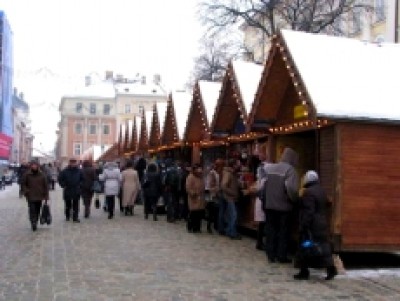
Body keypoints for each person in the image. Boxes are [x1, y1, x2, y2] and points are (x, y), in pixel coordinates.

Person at [294, 171, 337, 281]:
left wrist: (304, 225)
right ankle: (331, 269)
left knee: (305, 246)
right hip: (321, 223)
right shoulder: (321, 190)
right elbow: (326, 204)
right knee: (323, 247)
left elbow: (309, 211)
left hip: (312, 226)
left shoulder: (308, 192)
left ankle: (304, 271)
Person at [263, 147, 300, 263]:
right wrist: (294, 200)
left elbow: (262, 186)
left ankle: (270, 254)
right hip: (283, 207)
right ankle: (281, 255)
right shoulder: (290, 170)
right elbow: (291, 189)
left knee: (271, 230)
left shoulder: (270, 168)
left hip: (269, 206)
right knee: (283, 232)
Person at [21, 160, 49, 231]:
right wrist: (26, 191)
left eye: (35, 165)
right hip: (30, 195)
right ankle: (33, 222)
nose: (34, 166)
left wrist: (46, 196)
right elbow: (23, 184)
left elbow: (46, 186)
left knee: (37, 209)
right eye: (33, 165)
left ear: (38, 166)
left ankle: (35, 220)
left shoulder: (42, 174)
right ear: (31, 166)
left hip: (39, 195)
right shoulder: (27, 174)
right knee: (32, 209)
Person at [58, 158, 84, 222]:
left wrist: (80, 185)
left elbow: (83, 179)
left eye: (74, 162)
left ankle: (75, 217)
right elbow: (60, 179)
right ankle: (67, 216)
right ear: (69, 163)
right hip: (68, 189)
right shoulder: (65, 171)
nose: (73, 164)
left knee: (76, 204)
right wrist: (63, 185)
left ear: (76, 163)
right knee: (68, 204)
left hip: (76, 189)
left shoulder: (79, 171)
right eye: (71, 162)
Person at [221, 159, 241, 240]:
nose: (239, 166)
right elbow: (223, 186)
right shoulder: (228, 173)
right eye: (237, 164)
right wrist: (233, 192)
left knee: (231, 215)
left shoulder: (232, 173)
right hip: (230, 198)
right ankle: (232, 233)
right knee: (233, 215)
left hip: (232, 197)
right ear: (233, 165)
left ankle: (230, 231)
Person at [186, 164, 205, 233]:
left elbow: (203, 186)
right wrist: (193, 193)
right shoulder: (190, 177)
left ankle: (197, 228)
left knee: (199, 214)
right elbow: (188, 188)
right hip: (193, 198)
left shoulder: (200, 177)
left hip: (200, 198)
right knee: (193, 214)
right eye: (198, 169)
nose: (200, 171)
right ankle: (191, 227)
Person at [205, 163, 219, 234]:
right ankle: (210, 227)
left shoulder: (215, 173)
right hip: (212, 196)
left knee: (213, 212)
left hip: (213, 195)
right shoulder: (212, 173)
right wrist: (215, 190)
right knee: (212, 212)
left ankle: (212, 226)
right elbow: (210, 185)